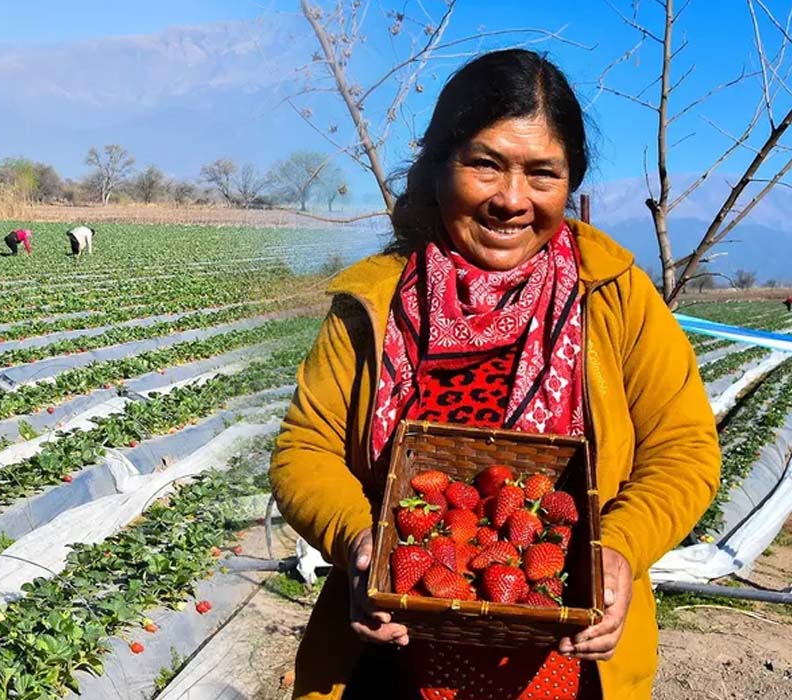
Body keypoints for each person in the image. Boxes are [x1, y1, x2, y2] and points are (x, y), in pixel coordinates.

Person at [269, 49, 720, 700]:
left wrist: (615, 552)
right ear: (438, 165)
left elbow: (684, 452)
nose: (512, 200)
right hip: (390, 659)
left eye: (543, 173)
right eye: (485, 163)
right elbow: (304, 451)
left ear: (571, 183)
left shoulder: (616, 297)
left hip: (566, 666)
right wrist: (362, 541)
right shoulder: (373, 303)